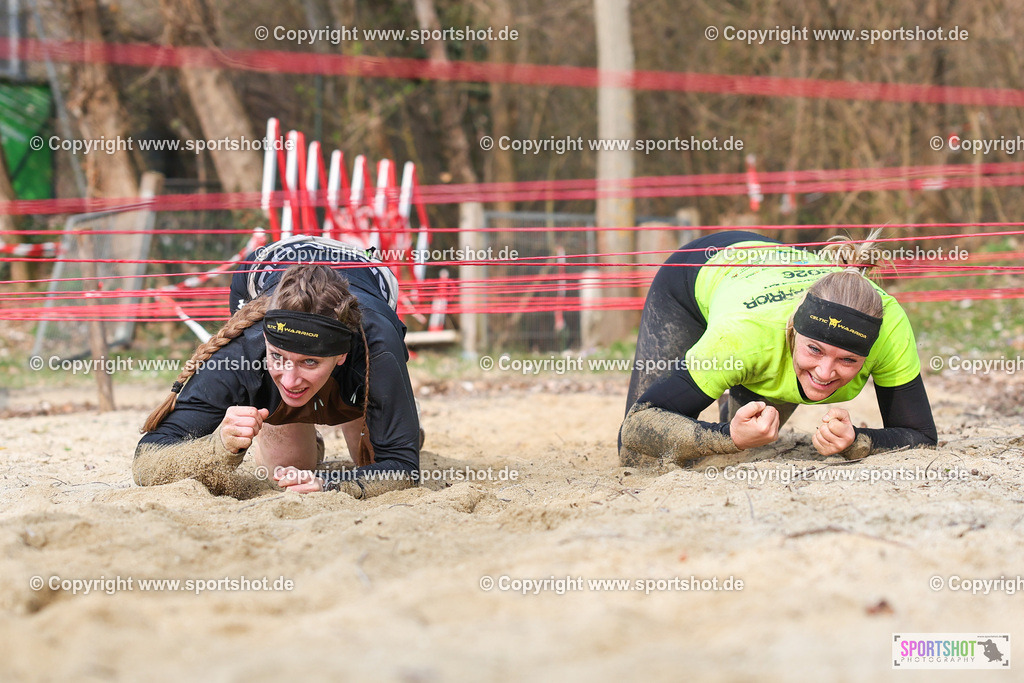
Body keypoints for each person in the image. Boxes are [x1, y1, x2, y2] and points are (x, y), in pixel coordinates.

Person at [619, 230, 937, 467]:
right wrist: (727, 436)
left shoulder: (890, 327)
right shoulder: (745, 336)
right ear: (794, 332)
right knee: (641, 459)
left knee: (751, 443)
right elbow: (637, 426)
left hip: (765, 279)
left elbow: (921, 437)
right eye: (814, 350)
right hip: (696, 272)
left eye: (848, 359)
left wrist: (858, 441)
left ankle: (742, 387)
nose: (825, 373)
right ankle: (731, 380)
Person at [134, 235, 420, 498]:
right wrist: (219, 446)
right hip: (262, 268)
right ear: (266, 341)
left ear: (341, 355)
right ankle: (306, 416)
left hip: (368, 273)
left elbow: (403, 469)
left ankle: (381, 414)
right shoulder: (242, 354)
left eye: (310, 361)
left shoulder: (377, 348)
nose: (291, 379)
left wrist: (332, 485)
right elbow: (147, 462)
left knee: (369, 460)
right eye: (278, 357)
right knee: (287, 469)